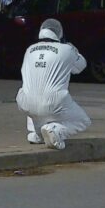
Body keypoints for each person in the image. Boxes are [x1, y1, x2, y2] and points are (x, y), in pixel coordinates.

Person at [16, 18, 91, 150]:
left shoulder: (30, 50)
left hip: (26, 103)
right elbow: (80, 67)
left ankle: (36, 134)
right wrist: (74, 50)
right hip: (54, 102)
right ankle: (56, 131)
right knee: (83, 121)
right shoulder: (67, 49)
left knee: (33, 92)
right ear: (59, 33)